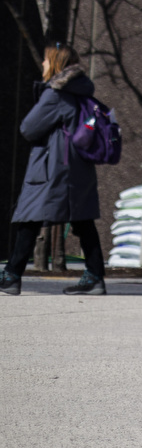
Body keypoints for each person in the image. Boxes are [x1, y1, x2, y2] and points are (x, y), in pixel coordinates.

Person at [3, 44, 107, 296]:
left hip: (53, 168)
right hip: (77, 167)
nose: (43, 65)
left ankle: (11, 275)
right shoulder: (83, 93)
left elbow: (28, 128)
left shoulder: (56, 94)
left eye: (47, 61)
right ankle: (95, 276)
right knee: (82, 220)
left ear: (56, 64)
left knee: (30, 217)